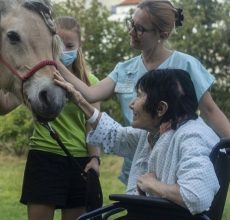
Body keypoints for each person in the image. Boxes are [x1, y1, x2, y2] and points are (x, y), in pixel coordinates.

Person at [56, 0, 230, 185]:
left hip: (175, 165)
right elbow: (90, 94)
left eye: (140, 29)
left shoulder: (186, 65)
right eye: (131, 23)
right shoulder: (124, 69)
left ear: (161, 34)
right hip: (137, 162)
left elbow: (210, 111)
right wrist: (56, 63)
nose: (131, 31)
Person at [54, 68, 220, 215]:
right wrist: (79, 100)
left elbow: (196, 196)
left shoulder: (192, 137)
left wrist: (152, 184)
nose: (132, 104)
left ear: (161, 108)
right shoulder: (156, 132)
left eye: (139, 95)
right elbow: (114, 134)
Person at [0, 16, 101, 220]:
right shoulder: (39, 81)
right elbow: (3, 107)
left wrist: (95, 159)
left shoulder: (90, 83)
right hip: (44, 157)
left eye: (69, 45)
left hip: (80, 162)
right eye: (58, 44)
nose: (64, 50)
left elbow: (93, 124)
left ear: (79, 46)